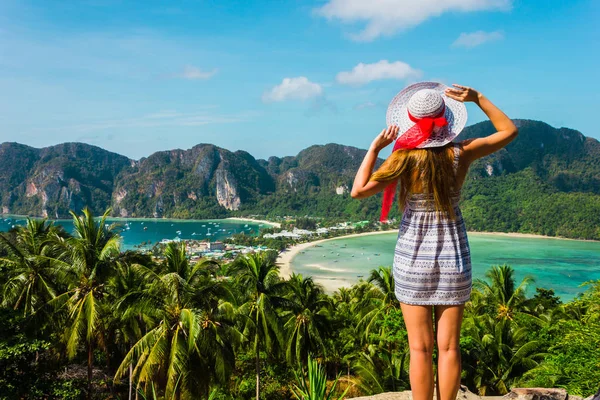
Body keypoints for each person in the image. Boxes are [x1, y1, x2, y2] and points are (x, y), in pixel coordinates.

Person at [351, 82, 518, 400]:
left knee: (419, 348)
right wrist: (478, 98)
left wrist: (374, 149)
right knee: (449, 347)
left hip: (412, 258)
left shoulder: (401, 159)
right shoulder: (461, 153)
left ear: (410, 121)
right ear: (447, 120)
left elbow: (358, 190)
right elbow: (509, 131)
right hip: (453, 256)